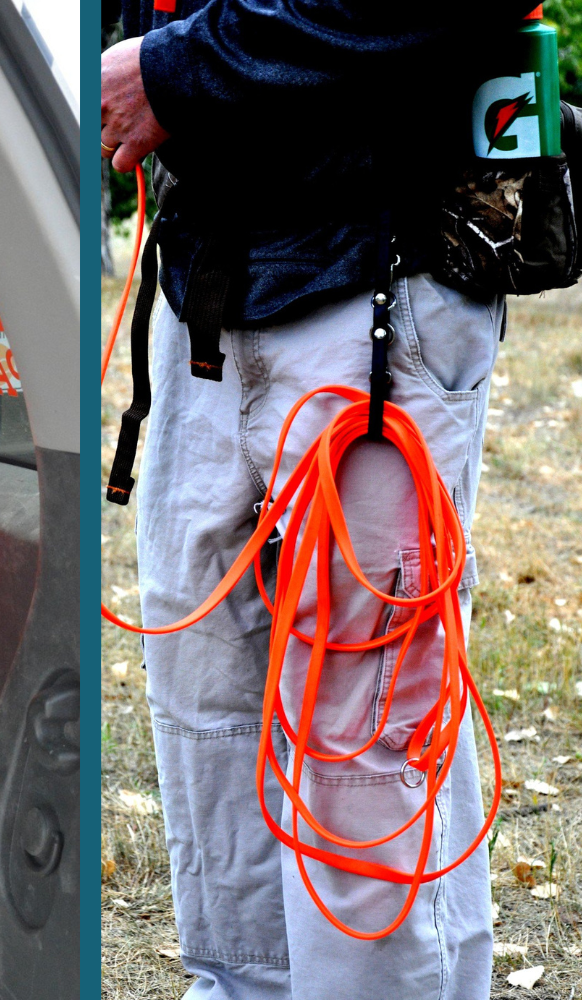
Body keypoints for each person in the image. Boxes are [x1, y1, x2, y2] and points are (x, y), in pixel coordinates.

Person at [101, 4, 541, 998]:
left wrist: (172, 70)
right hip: (207, 285)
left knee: (361, 733)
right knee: (209, 695)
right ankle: (244, 982)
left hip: (374, 282)